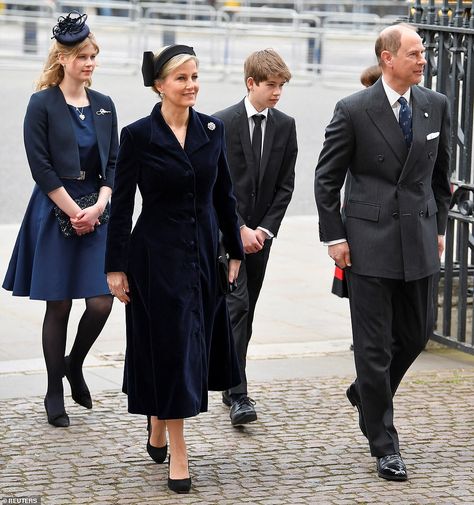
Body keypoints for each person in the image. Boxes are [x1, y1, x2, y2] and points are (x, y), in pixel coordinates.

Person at [314, 23, 451, 481]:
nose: (423, 59)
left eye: (424, 52)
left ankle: (366, 393)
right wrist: (335, 238)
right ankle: (384, 444)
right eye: (414, 52)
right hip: (367, 245)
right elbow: (326, 179)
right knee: (373, 349)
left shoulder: (435, 105)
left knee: (416, 334)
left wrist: (440, 226)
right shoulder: (353, 109)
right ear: (387, 58)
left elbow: (440, 177)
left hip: (419, 239)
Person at [105, 45, 244, 494]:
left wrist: (235, 247)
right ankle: (180, 453)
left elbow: (224, 194)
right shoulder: (138, 135)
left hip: (202, 254)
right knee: (170, 346)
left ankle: (159, 425)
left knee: (188, 347)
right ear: (159, 85)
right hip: (155, 257)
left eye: (195, 77)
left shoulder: (212, 129)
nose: (191, 86)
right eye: (181, 78)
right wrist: (115, 268)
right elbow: (122, 206)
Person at [2, 12, 118, 428]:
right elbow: (42, 167)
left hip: (97, 212)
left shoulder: (105, 106)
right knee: (60, 304)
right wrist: (73, 210)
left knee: (102, 302)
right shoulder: (42, 103)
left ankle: (74, 363)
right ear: (64, 59)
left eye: (93, 56)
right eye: (83, 56)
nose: (90, 63)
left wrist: (101, 204)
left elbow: (114, 165)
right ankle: (54, 389)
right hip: (54, 211)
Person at [213, 49, 297, 426]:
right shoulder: (220, 123)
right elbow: (217, 184)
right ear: (251, 83)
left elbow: (285, 185)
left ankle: (228, 380)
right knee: (237, 305)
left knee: (245, 314)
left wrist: (263, 230)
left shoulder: (286, 125)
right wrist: (240, 228)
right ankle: (239, 394)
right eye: (271, 85)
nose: (277, 92)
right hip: (228, 234)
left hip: (262, 238)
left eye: (281, 86)